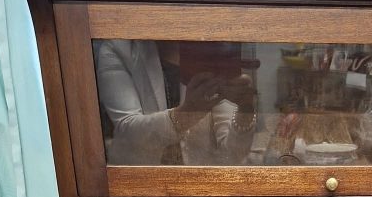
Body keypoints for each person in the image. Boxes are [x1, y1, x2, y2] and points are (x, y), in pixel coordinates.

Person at [95, 39, 257, 167]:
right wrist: (189, 112)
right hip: (137, 185)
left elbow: (232, 155)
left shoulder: (209, 48)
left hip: (197, 190)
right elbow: (128, 130)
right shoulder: (117, 48)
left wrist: (245, 109)